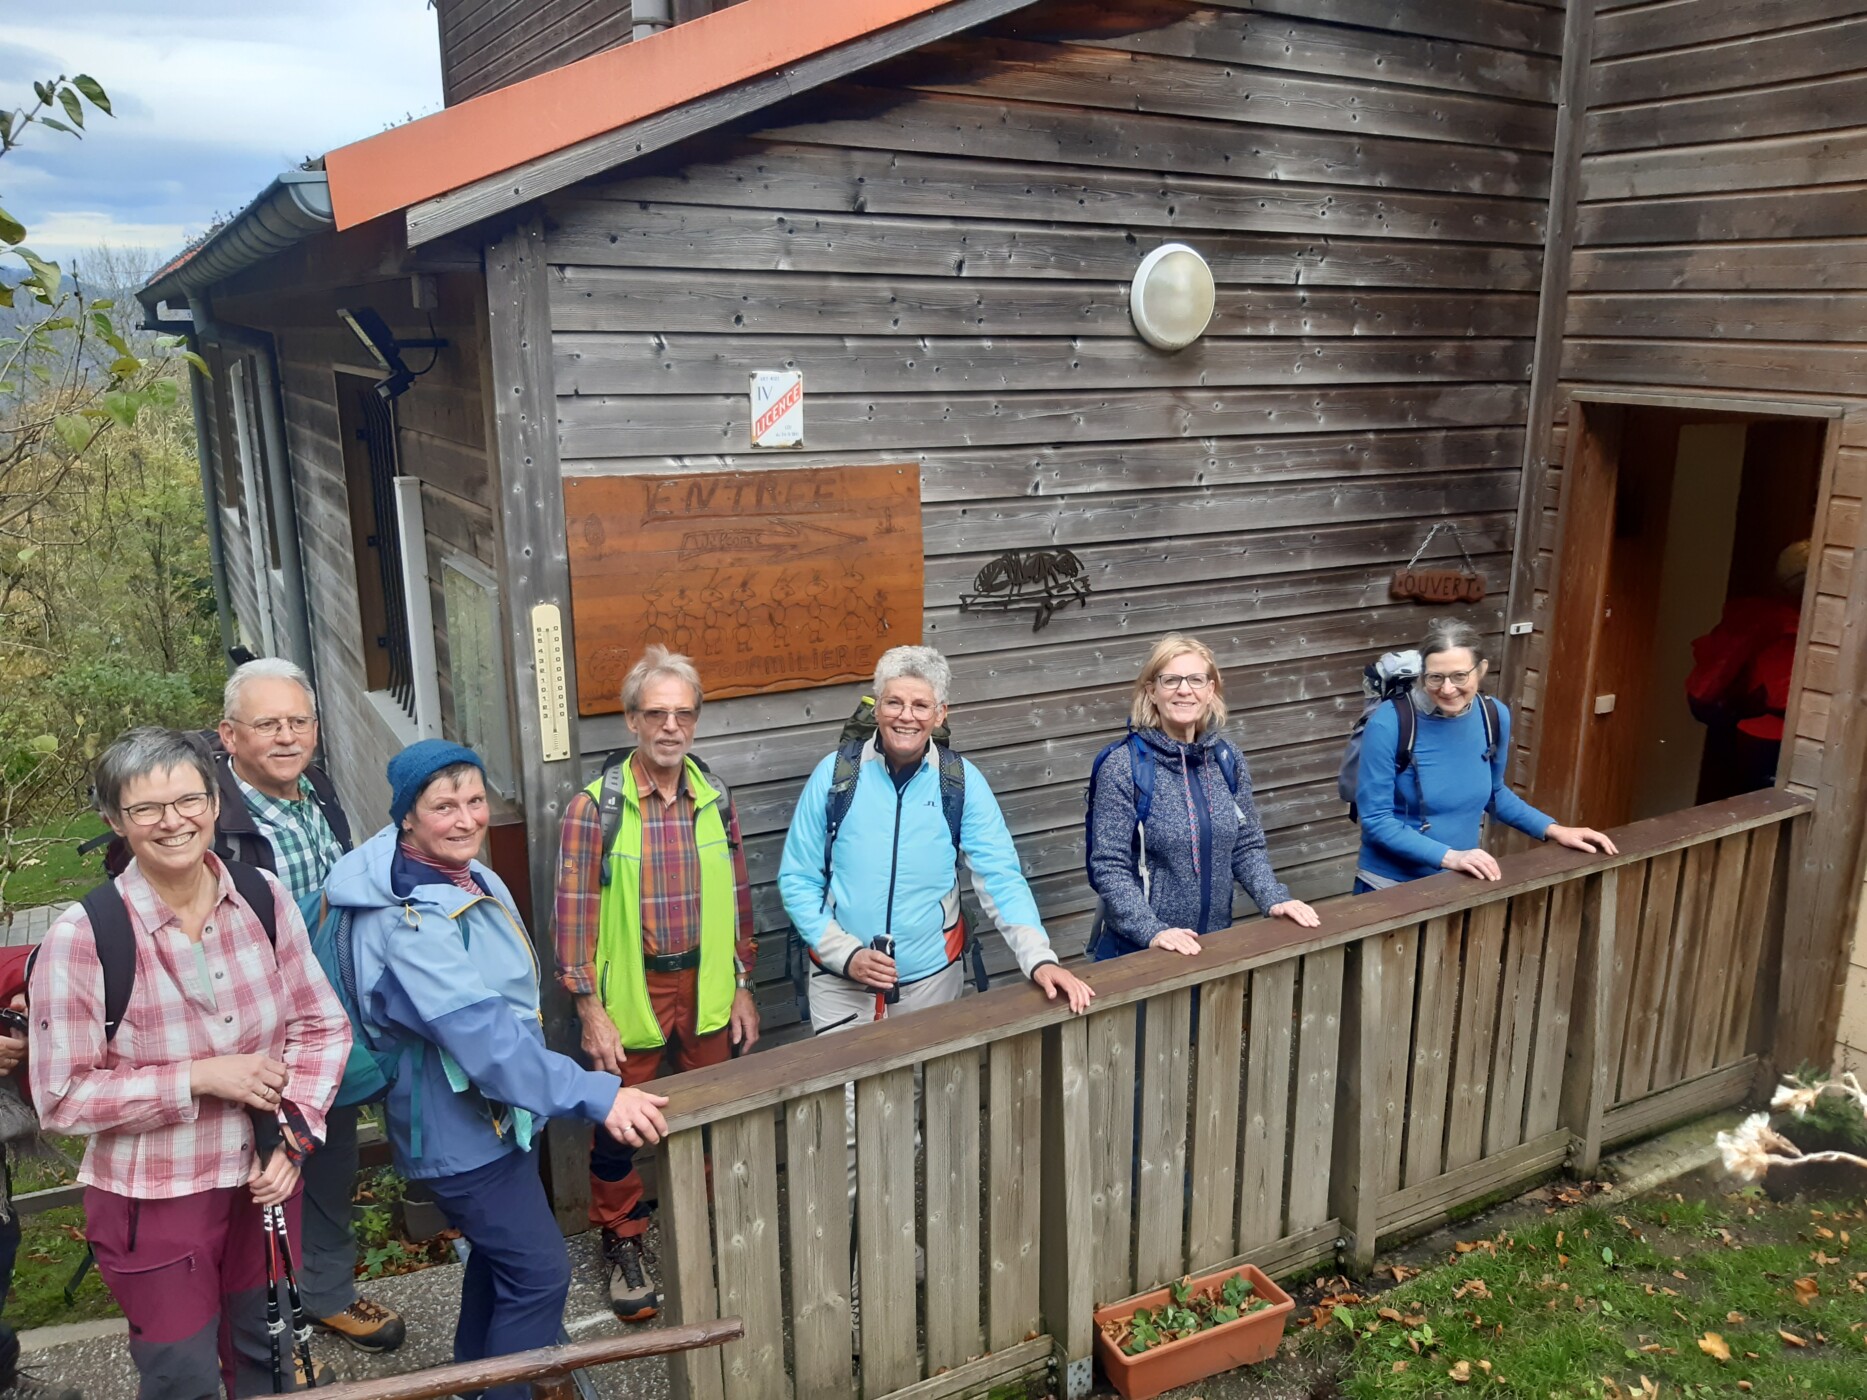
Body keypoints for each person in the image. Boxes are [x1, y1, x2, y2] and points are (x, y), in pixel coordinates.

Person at [323, 740, 670, 1400]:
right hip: (457, 1135)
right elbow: (486, 1042)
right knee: (539, 1274)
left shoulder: (460, 874)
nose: (466, 819)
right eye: (444, 806)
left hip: (497, 1119)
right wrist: (601, 1096)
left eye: (475, 800)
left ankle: (474, 1383)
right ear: (407, 816)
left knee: (502, 1260)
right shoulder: (406, 919)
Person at [30, 728, 351, 1399]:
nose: (172, 821)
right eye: (146, 808)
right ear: (114, 819)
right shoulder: (84, 937)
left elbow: (320, 1025)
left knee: (267, 1357)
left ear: (215, 802)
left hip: (263, 1178)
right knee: (184, 1377)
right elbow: (61, 1096)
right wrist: (196, 1078)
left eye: (188, 800)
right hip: (155, 1199)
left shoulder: (261, 897)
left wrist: (295, 1136)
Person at [553, 647, 758, 1321]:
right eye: (656, 713)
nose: (671, 726)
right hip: (630, 993)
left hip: (705, 987)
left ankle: (713, 1231)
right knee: (618, 1125)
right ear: (632, 720)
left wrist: (742, 982)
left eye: (683, 714)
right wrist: (589, 1009)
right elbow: (573, 914)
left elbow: (737, 896)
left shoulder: (715, 796)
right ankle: (622, 1237)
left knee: (712, 1112)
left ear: (695, 720)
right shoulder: (594, 809)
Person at [215, 658, 404, 1358]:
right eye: (268, 724)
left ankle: (325, 1295)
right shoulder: (216, 822)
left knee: (329, 1165)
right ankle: (258, 1331)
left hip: (329, 1025)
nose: (287, 737)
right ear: (230, 736)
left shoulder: (316, 791)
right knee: (258, 1182)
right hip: (254, 1040)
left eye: (299, 722)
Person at [779, 644, 1095, 1030]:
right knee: (845, 1074)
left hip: (931, 984)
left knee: (928, 1074)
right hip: (839, 983)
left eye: (920, 705)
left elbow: (1000, 877)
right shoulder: (836, 775)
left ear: (940, 713)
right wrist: (845, 955)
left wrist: (1039, 958)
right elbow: (798, 878)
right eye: (894, 702)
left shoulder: (959, 781)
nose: (906, 716)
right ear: (876, 707)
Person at [1087, 634, 1320, 959]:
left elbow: (1246, 845)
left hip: (1212, 947)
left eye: (1196, 679)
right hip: (1140, 951)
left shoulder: (1227, 759)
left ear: (1210, 691)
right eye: (1171, 680)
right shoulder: (1125, 766)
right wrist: (1152, 930)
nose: (1184, 690)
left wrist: (1274, 898)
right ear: (1152, 691)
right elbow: (1109, 866)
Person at [1354, 618, 1617, 890]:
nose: (1447, 689)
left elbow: (1494, 793)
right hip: (1389, 887)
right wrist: (1451, 857)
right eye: (1436, 677)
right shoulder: (1389, 724)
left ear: (1481, 670)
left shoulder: (1493, 715)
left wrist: (1553, 829)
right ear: (1423, 675)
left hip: (1458, 881)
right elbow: (1377, 820)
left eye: (1459, 676)